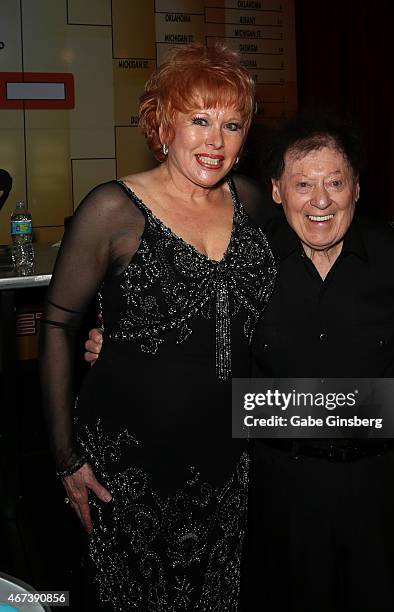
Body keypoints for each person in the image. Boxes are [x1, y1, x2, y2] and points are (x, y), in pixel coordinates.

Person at [40, 43, 277, 611]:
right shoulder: (113, 209)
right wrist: (66, 457)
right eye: (199, 120)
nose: (215, 141)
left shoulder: (251, 201)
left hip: (227, 458)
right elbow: (54, 327)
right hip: (131, 466)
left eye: (231, 124)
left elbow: (321, 216)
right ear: (164, 123)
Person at [247, 114, 394, 612]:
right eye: (303, 184)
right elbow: (197, 341)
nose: (321, 200)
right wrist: (116, 339)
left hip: (377, 482)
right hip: (281, 485)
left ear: (357, 189)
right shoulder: (245, 263)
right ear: (277, 192)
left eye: (335, 182)